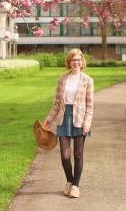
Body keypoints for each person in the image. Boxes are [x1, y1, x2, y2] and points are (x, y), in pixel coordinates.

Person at [44, 48, 94, 198]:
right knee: (65, 156)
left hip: (80, 118)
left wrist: (87, 122)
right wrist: (48, 119)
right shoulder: (62, 79)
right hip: (63, 118)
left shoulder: (88, 80)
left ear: (82, 62)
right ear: (69, 62)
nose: (76, 62)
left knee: (78, 155)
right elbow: (57, 103)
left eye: (79, 60)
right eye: (73, 60)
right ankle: (69, 181)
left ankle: (75, 186)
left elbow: (90, 105)